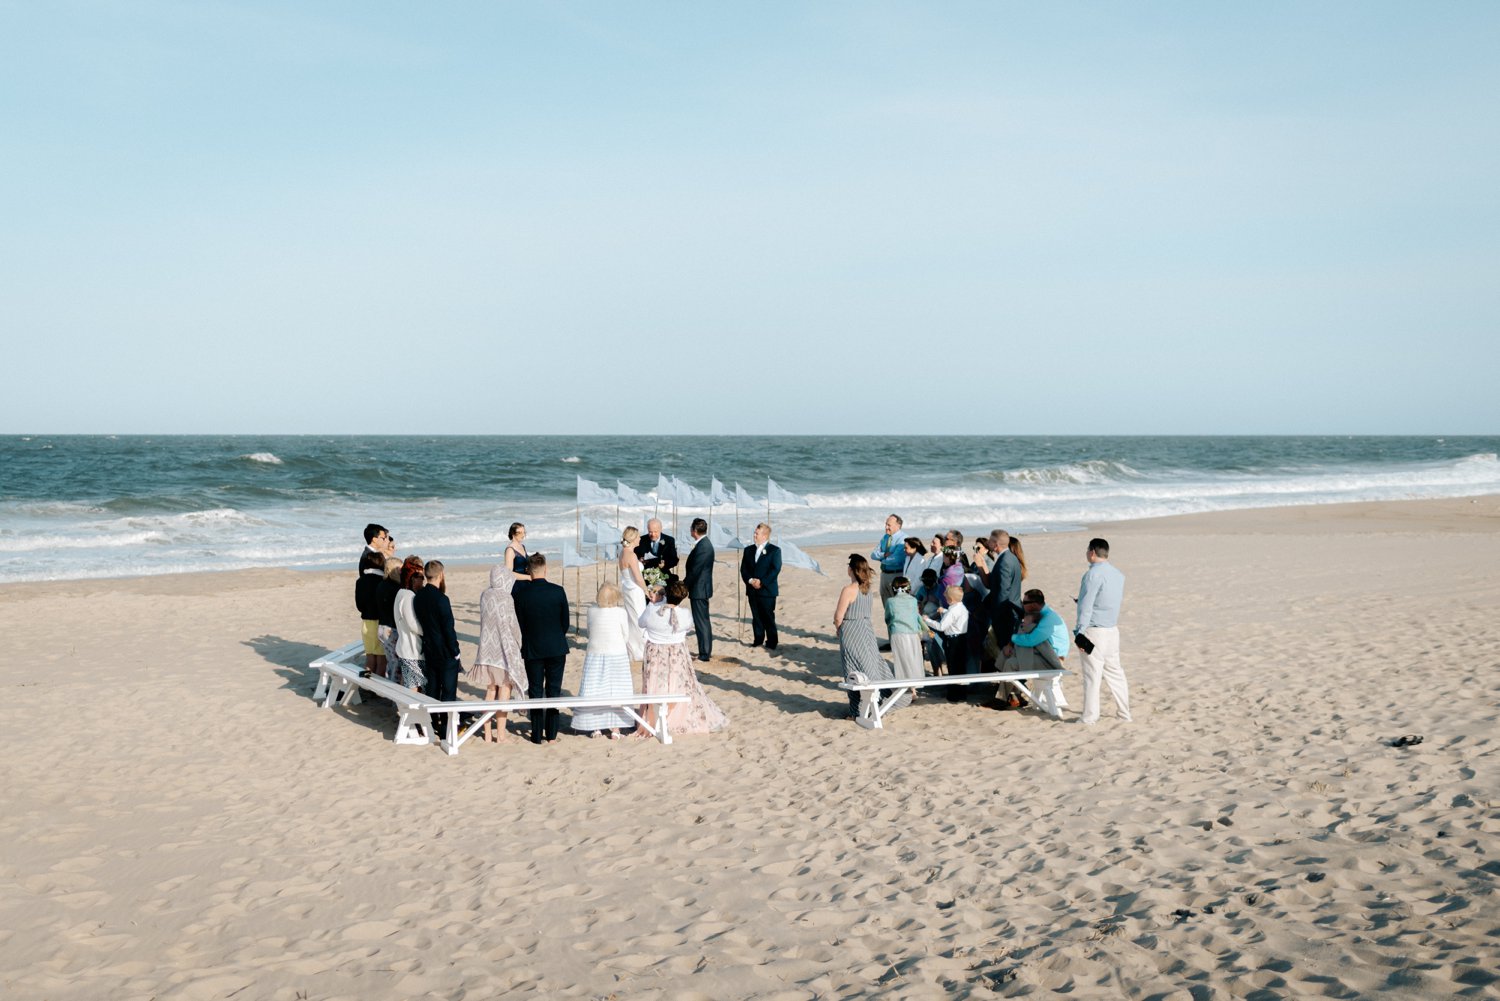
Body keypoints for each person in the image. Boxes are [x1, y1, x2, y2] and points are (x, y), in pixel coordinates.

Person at [638, 580, 727, 736]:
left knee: (655, 683)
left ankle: (654, 717)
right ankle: (674, 715)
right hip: (677, 654)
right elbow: (687, 627)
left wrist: (656, 604)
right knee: (678, 683)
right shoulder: (685, 614)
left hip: (655, 654)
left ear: (665, 595)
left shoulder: (653, 611)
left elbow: (641, 623)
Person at [834, 554, 905, 726]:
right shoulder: (867, 589)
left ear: (851, 569)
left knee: (852, 669)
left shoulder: (849, 589)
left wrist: (838, 628)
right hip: (866, 629)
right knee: (870, 664)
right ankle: (877, 701)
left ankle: (856, 711)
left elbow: (838, 616)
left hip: (851, 630)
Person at [511, 552, 571, 744]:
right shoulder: (558, 591)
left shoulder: (521, 595)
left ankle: (537, 734)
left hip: (533, 647)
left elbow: (519, 622)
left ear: (529, 571)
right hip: (556, 646)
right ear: (545, 569)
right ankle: (552, 735)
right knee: (554, 690)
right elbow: (565, 622)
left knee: (536, 691)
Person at [1076, 537, 1131, 724]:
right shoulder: (1118, 574)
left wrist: (1079, 632)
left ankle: (1090, 717)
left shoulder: (1092, 575)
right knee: (1115, 673)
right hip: (1111, 630)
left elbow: (1086, 606)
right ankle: (1124, 713)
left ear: (1092, 552)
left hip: (1094, 631)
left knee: (1092, 675)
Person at [471, 565, 527, 743]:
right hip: (503, 650)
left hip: (486, 651)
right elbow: (513, 624)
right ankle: (501, 735)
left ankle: (487, 734)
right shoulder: (506, 598)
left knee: (490, 691)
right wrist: (520, 641)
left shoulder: (484, 595)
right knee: (504, 690)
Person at [574, 584, 634, 738]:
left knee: (594, 689)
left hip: (595, 653)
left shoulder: (591, 611)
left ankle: (596, 727)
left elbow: (589, 629)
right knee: (617, 690)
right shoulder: (620, 612)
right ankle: (615, 728)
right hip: (617, 654)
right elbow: (625, 635)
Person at [1001, 588, 1069, 713]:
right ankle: (1012, 696)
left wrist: (1012, 638)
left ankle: (1008, 698)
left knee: (1011, 663)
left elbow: (1032, 640)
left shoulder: (1048, 618)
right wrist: (1011, 644)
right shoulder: (1042, 614)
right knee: (1010, 657)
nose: (1022, 605)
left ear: (1034, 605)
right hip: (1043, 655)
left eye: (1025, 603)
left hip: (1052, 660)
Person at [412, 560, 461, 703]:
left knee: (433, 688)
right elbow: (448, 628)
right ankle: (446, 722)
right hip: (445, 651)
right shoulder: (442, 599)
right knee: (448, 690)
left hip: (428, 647)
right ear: (441, 575)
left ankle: (433, 720)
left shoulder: (418, 596)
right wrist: (455, 651)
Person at [922, 585, 969, 702]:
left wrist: (927, 620)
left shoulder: (952, 611)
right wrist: (945, 611)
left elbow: (941, 626)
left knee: (953, 667)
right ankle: (962, 693)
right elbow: (954, 615)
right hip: (962, 639)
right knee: (960, 667)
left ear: (950, 599)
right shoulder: (961, 607)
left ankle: (954, 694)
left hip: (953, 641)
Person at [740, 522, 781, 650]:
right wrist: (751, 580)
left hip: (767, 590)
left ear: (765, 536)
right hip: (752, 589)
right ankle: (758, 640)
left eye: (757, 533)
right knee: (756, 617)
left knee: (768, 616)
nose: (754, 535)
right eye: (754, 533)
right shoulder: (748, 550)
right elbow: (744, 569)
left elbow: (775, 569)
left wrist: (761, 582)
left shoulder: (774, 551)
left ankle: (772, 642)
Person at [984, 530, 1024, 658]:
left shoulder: (1004, 562)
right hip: (1011, 610)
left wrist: (995, 614)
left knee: (1006, 648)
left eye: (990, 540)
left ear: (995, 544)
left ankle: (1016, 677)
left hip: (1006, 614)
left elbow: (1003, 592)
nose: (988, 542)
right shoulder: (1011, 558)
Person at [884, 575, 926, 692]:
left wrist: (891, 626)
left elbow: (888, 618)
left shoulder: (890, 601)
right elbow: (916, 617)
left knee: (902, 660)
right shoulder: (913, 600)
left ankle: (908, 689)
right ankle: (914, 688)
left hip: (898, 633)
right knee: (913, 658)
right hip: (913, 633)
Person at [356, 528, 388, 677]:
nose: (385, 540)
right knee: (381, 659)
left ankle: (368, 685)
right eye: (383, 537)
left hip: (365, 620)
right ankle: (377, 687)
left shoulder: (360, 581)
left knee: (370, 657)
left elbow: (359, 604)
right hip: (377, 620)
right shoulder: (380, 582)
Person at [682, 517, 715, 661]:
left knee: (701, 621)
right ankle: (704, 651)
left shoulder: (704, 547)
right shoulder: (703, 544)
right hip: (699, 588)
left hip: (699, 589)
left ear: (694, 530)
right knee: (701, 621)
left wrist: (683, 586)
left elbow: (695, 570)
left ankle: (704, 653)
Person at [391, 561, 426, 691]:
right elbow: (413, 624)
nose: (423, 581)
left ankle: (401, 708)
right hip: (411, 649)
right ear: (413, 578)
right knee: (413, 686)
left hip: (405, 646)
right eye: (421, 577)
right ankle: (407, 710)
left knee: (406, 681)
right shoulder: (408, 596)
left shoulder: (401, 593)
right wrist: (427, 631)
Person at [618, 526, 648, 661]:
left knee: (632, 619)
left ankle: (634, 649)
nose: (640, 539)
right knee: (639, 619)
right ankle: (640, 651)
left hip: (627, 589)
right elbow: (637, 577)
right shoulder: (631, 555)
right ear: (633, 538)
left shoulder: (622, 553)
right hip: (635, 590)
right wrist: (647, 591)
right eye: (638, 537)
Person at [375, 556, 403, 668]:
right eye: (401, 569)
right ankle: (393, 685)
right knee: (396, 663)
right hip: (391, 629)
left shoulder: (381, 585)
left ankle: (389, 682)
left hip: (382, 627)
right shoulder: (395, 587)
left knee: (391, 661)